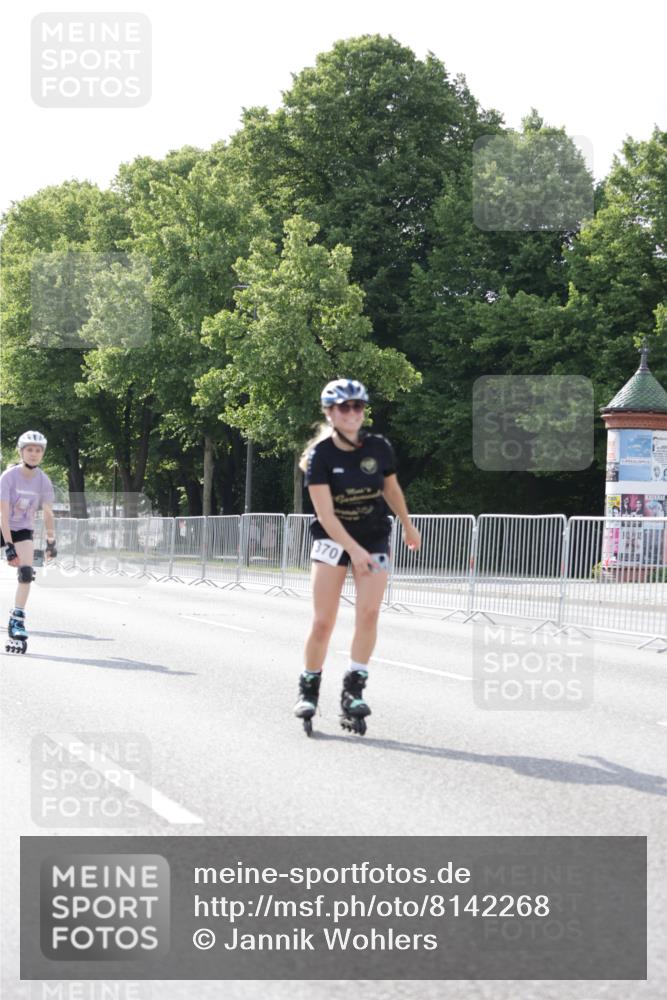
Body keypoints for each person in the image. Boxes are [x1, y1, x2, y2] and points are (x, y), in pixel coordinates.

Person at [294, 379, 421, 734]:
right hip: (332, 541)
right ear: (329, 413)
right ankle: (309, 688)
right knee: (323, 621)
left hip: (374, 538)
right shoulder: (320, 456)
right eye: (344, 407)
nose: (352, 413)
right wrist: (353, 549)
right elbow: (325, 515)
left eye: (358, 406)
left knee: (369, 613)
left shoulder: (379, 447)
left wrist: (408, 525)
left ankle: (353, 691)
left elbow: (391, 489)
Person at [0, 431, 57, 652]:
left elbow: (48, 513)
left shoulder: (44, 481)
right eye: (29, 450)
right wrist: (8, 546)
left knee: (26, 572)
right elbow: (3, 515)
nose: (34, 454)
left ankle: (17, 619)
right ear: (21, 452)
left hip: (23, 529)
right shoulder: (8, 477)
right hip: (3, 525)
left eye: (38, 450)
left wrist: (51, 542)